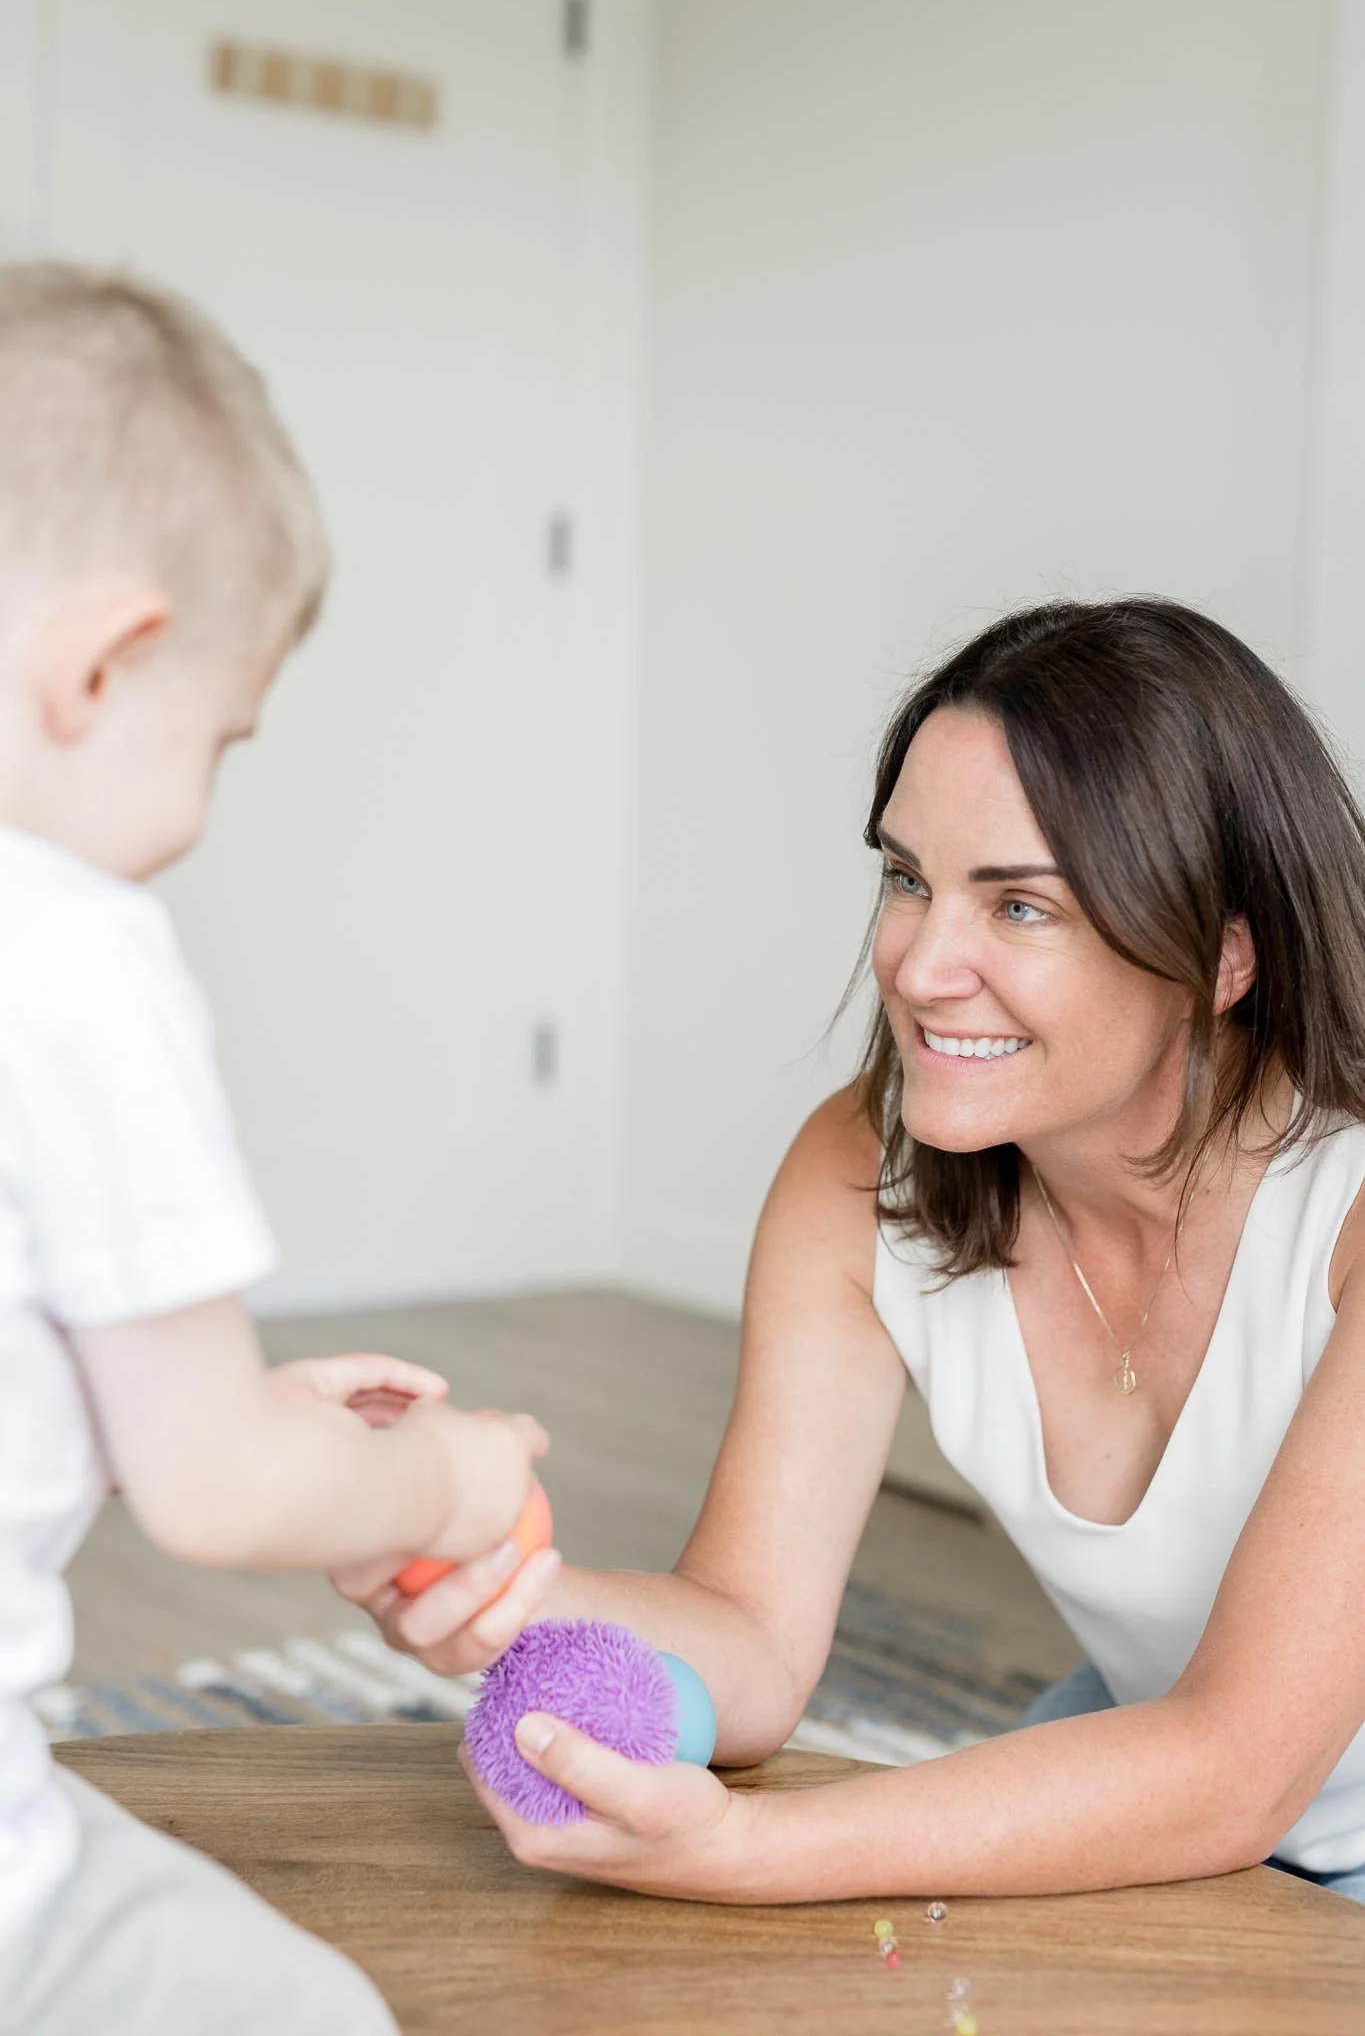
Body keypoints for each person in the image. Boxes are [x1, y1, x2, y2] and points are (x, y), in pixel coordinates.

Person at [343, 597, 1365, 1906]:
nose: (922, 967)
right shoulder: (862, 1170)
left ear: (1224, 958)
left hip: (1236, 1796)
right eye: (908, 879)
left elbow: (1236, 1766)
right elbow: (753, 1642)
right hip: (1163, 1766)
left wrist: (743, 1852)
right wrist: (478, 1571)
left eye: (1021, 907)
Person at [0, 264, 548, 2035]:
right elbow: (219, 1492)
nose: (195, 816)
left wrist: (210, 1396)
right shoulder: (68, 952)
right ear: (104, 664)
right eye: (218, 745)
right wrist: (445, 1482)